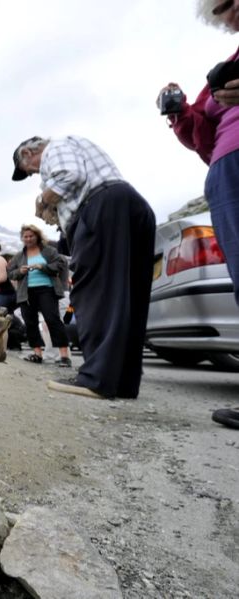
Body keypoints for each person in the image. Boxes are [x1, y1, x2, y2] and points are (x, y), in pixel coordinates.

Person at [12, 135, 155, 400]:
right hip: (129, 204)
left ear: (29, 153)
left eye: (28, 169)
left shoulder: (56, 148)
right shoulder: (79, 147)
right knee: (128, 294)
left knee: (95, 292)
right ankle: (122, 381)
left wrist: (44, 200)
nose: (34, 173)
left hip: (100, 209)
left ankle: (96, 379)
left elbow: (70, 174)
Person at [158, 1, 239, 428]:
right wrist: (181, 113)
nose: (232, 10)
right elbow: (200, 133)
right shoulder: (226, 66)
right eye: (222, 7)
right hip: (226, 166)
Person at [7, 224, 72, 367]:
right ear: (22, 238)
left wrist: (43, 267)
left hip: (47, 290)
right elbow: (10, 273)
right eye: (26, 236)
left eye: (31, 236)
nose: (28, 239)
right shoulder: (18, 256)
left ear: (37, 236)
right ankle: (37, 354)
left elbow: (60, 265)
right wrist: (20, 272)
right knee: (30, 323)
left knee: (53, 320)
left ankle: (64, 356)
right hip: (26, 292)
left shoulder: (49, 251)